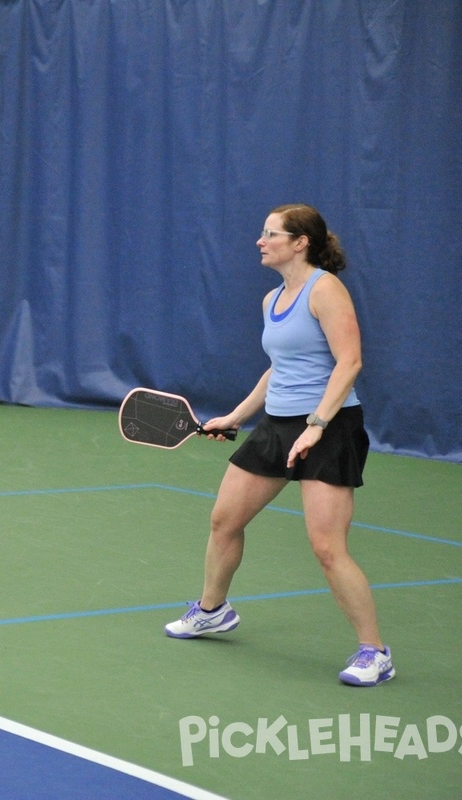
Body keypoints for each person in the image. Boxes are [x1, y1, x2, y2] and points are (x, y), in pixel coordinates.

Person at [163, 204, 393, 687]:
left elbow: (349, 362)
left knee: (327, 547)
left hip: (329, 427)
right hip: (278, 426)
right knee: (225, 520)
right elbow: (279, 369)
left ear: (300, 242)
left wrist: (317, 424)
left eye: (270, 234)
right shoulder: (272, 300)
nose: (260, 241)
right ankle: (212, 610)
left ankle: (374, 652)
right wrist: (236, 416)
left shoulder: (325, 290)